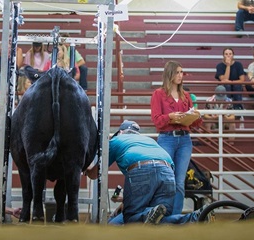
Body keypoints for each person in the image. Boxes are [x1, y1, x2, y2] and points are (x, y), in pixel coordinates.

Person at [87, 121, 206, 225]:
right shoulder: (148, 140)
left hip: (141, 169)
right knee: (161, 219)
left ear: (121, 132)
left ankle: (148, 213)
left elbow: (96, 173)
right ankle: (196, 217)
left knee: (131, 217)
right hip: (168, 172)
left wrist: (86, 169)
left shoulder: (116, 140)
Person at [150, 61, 203, 215]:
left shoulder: (186, 96)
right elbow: (156, 119)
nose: (181, 75)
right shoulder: (158, 94)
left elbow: (195, 124)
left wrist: (196, 116)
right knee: (167, 180)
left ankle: (175, 216)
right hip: (166, 139)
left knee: (179, 181)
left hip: (185, 140)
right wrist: (170, 117)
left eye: (181, 72)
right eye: (178, 72)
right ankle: (163, 213)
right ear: (170, 74)